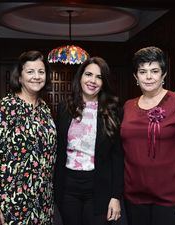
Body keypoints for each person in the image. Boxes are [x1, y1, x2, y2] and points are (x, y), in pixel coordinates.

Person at [121, 46, 175, 225]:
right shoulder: (128, 106)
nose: (149, 76)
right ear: (135, 77)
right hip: (134, 194)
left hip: (170, 196)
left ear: (164, 75)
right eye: (142, 71)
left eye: (154, 71)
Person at [0, 51, 57, 225]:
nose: (36, 76)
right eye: (30, 71)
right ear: (20, 77)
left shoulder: (44, 109)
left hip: (42, 198)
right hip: (11, 199)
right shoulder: (5, 108)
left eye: (41, 72)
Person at [54, 57, 124, 225]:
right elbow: (57, 149)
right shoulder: (65, 107)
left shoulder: (113, 110)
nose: (92, 81)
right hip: (68, 185)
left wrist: (116, 196)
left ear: (104, 82)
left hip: (99, 185)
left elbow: (118, 157)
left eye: (99, 77)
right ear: (80, 77)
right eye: (88, 74)